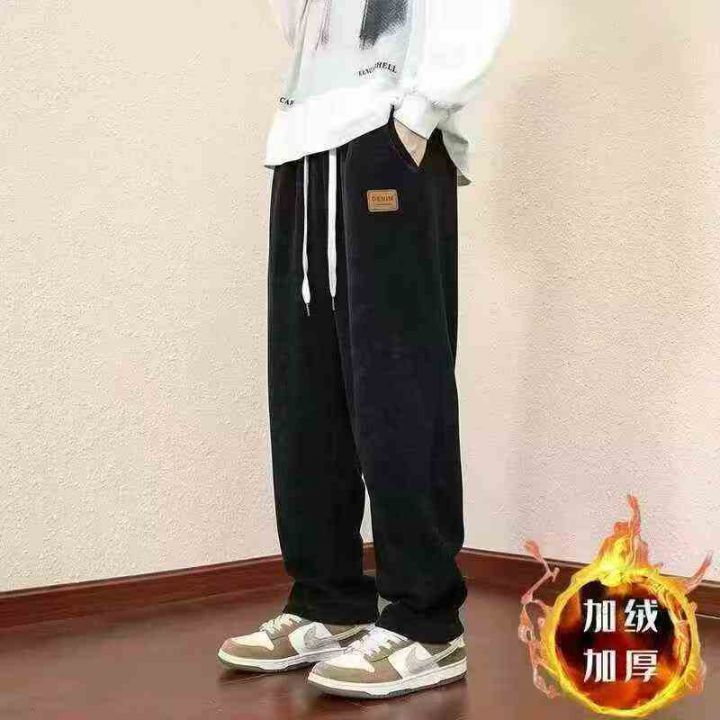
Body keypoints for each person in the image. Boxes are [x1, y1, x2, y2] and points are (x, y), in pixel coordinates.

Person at [218, 0, 511, 699]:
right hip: (303, 139)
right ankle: (328, 601)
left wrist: (417, 116)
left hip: (388, 129)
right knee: (306, 384)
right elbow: (293, 23)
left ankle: (426, 621)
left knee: (398, 382)